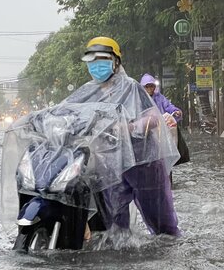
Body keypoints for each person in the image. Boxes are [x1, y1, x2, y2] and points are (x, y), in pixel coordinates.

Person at [65, 37, 181, 236]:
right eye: (92, 61)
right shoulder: (87, 92)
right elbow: (66, 113)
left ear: (116, 61)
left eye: (102, 60)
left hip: (144, 162)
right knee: (114, 228)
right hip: (110, 163)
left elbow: (153, 118)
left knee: (162, 225)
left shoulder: (132, 88)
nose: (96, 66)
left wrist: (130, 127)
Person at [140, 73, 190, 167]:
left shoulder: (159, 98)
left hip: (161, 132)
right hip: (146, 133)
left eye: (152, 86)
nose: (150, 89)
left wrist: (176, 111)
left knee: (164, 157)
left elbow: (168, 106)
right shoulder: (139, 99)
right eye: (147, 87)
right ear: (143, 88)